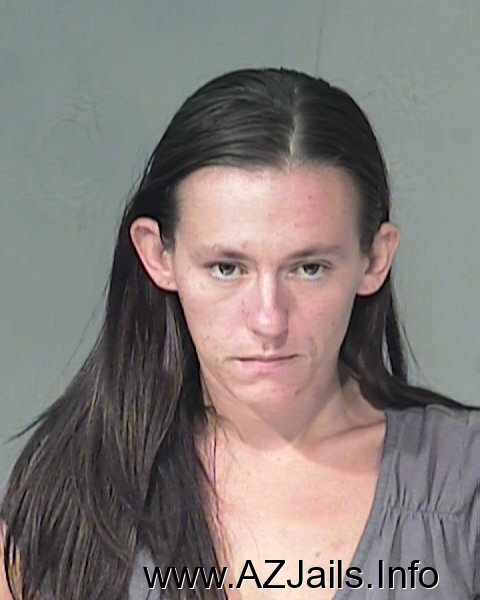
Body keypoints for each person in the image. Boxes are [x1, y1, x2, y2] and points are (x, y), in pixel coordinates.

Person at [1, 67, 479, 600]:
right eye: (227, 268)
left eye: (310, 268)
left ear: (374, 260)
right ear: (159, 257)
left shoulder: (466, 484)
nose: (269, 320)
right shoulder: (70, 497)